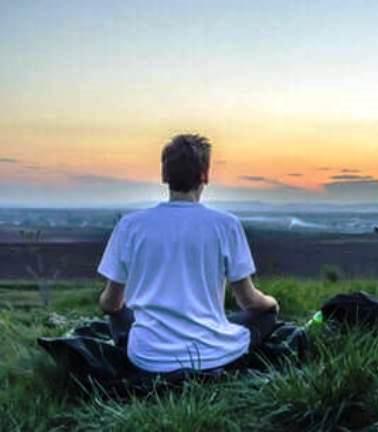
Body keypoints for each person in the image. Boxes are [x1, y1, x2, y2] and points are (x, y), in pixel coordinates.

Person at [97, 133, 279, 374]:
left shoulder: (130, 225)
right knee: (264, 316)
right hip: (212, 355)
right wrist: (272, 303)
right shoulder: (227, 225)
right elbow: (248, 301)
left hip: (147, 358)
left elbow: (110, 303)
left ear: (164, 176)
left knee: (120, 315)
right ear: (205, 175)